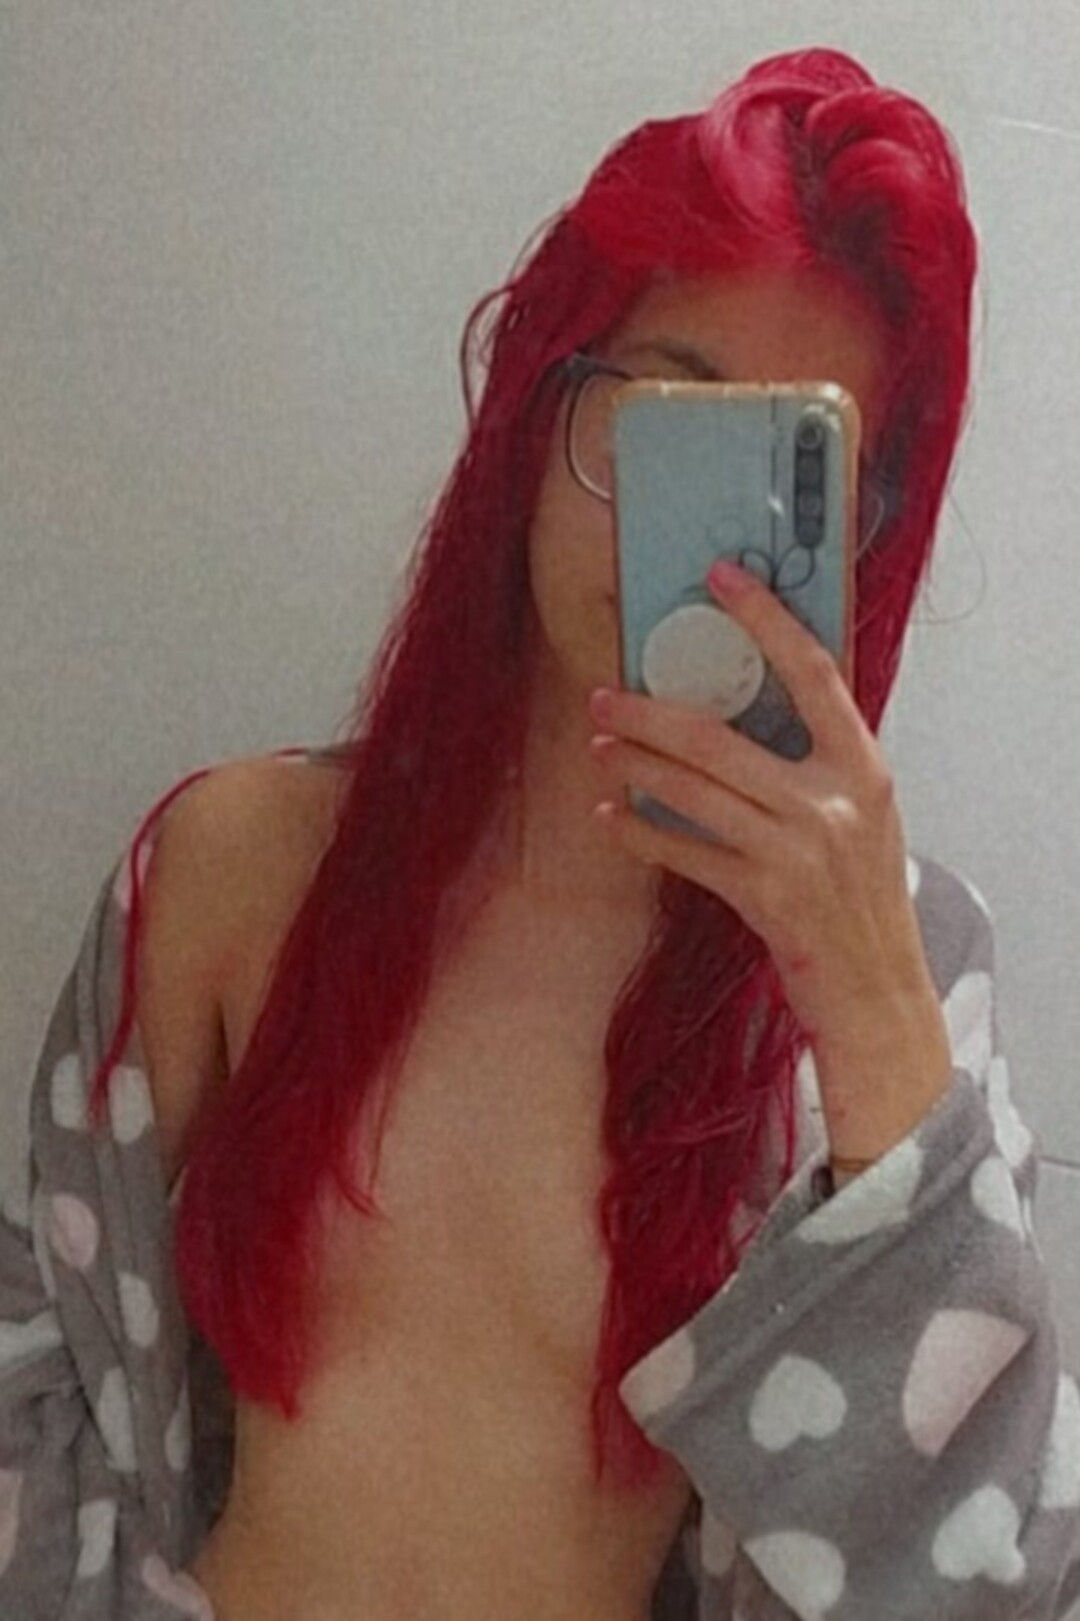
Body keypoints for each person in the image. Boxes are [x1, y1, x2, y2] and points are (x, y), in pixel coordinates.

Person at [2, 42, 1078, 1621]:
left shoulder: (888, 973)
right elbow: (47, 1387)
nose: (692, 550)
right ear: (534, 407)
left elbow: (984, 1582)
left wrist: (870, 1018)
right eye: (652, 415)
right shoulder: (234, 866)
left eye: (777, 468)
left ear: (861, 530)